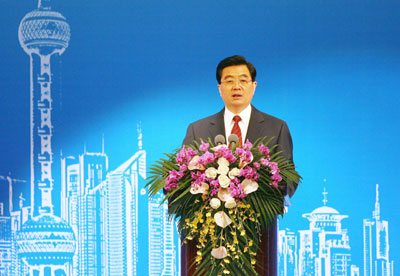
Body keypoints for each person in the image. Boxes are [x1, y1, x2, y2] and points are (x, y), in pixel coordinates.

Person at [181, 55, 296, 275]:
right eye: (229, 80)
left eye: (243, 80)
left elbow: (289, 178)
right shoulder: (198, 129)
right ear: (219, 88)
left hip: (258, 232)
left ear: (254, 86)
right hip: (207, 236)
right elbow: (184, 178)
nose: (236, 86)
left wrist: (263, 194)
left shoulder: (276, 127)